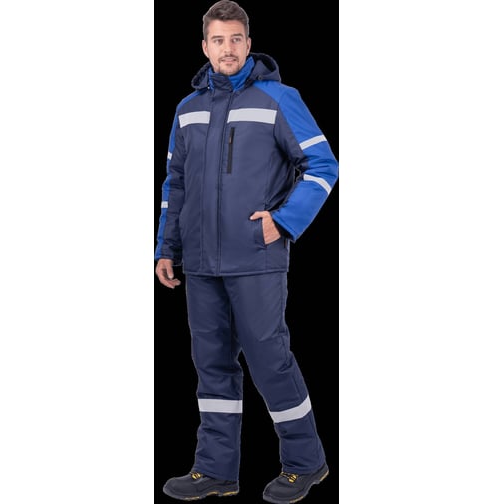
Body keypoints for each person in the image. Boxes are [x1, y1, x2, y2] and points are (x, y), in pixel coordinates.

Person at [154, 1, 339, 502]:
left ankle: (306, 462)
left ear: (249, 43)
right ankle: (215, 469)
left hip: (256, 257)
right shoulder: (187, 109)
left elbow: (323, 166)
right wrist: (166, 248)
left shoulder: (279, 98)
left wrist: (283, 221)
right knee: (211, 365)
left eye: (236, 38)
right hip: (200, 262)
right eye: (218, 40)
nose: (228, 48)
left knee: (270, 361)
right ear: (205, 47)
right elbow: (176, 183)